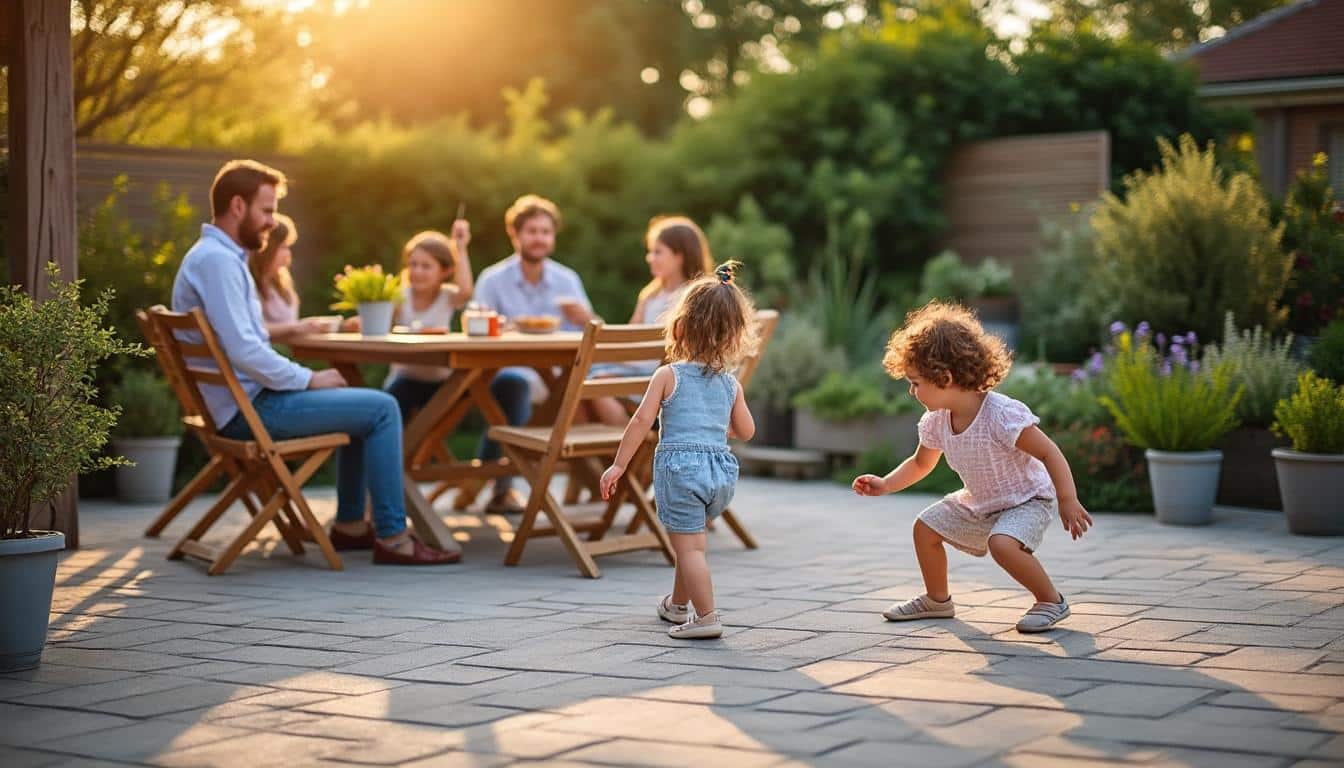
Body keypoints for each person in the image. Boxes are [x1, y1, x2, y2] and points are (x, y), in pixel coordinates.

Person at [171, 159, 457, 565]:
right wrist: (307, 379)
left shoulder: (216, 258)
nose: (272, 222)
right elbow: (245, 352)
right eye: (267, 210)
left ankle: (351, 527)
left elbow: (247, 342)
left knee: (363, 405)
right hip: (249, 409)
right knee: (383, 408)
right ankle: (393, 538)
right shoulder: (217, 262)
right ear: (238, 206)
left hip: (241, 402)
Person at [851, 301, 1093, 632]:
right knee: (925, 528)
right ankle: (937, 600)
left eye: (916, 382)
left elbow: (1049, 452)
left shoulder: (1001, 415)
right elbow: (921, 463)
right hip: (981, 501)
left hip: (1027, 499)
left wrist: (1067, 499)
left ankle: (1051, 600)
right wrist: (886, 484)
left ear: (945, 377)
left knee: (1002, 545)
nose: (911, 390)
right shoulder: (936, 421)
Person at [600, 262, 757, 640]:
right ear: (734, 336)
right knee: (690, 541)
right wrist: (720, 425)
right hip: (719, 474)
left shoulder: (667, 376)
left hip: (681, 471)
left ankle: (707, 617)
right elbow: (747, 432)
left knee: (689, 550)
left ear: (680, 327)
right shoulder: (730, 384)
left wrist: (618, 466)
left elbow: (640, 423)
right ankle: (677, 605)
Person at [470, 194, 596, 514]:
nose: (539, 238)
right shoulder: (492, 279)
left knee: (588, 388)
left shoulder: (567, 280)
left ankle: (598, 479)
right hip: (507, 373)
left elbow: (593, 333)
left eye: (545, 231)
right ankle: (502, 488)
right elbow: (476, 327)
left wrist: (584, 318)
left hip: (561, 376)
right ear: (515, 235)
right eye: (532, 231)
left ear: (553, 237)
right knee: (516, 385)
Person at [590, 215, 715, 426]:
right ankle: (615, 452)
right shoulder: (650, 294)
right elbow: (630, 337)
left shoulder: (693, 297)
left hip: (668, 381)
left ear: (680, 256)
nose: (650, 258)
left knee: (590, 384)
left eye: (657, 252)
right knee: (581, 380)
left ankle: (628, 451)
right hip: (640, 372)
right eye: (650, 252)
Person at [380, 226, 497, 421]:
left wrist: (460, 247)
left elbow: (466, 291)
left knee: (438, 421)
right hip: (404, 379)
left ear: (445, 271)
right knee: (391, 409)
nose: (417, 271)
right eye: (413, 264)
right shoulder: (399, 296)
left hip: (442, 382)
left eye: (426, 266)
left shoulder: (447, 296)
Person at [248, 214, 327, 341]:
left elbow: (291, 323)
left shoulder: (281, 282)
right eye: (283, 247)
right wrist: (295, 327)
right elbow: (253, 328)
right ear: (268, 248)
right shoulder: (250, 284)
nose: (288, 254)